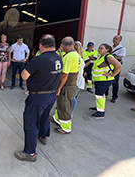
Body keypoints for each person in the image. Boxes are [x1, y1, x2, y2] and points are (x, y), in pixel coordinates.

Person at [14, 34, 62, 162]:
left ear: (41, 45)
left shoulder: (39, 59)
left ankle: (29, 153)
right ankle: (43, 136)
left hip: (38, 96)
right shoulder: (58, 58)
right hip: (51, 95)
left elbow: (24, 76)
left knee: (31, 122)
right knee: (44, 116)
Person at [52, 37, 81, 134]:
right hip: (72, 85)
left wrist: (59, 88)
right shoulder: (76, 55)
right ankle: (56, 119)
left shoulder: (69, 57)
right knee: (61, 104)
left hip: (66, 86)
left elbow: (65, 75)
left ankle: (66, 128)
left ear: (64, 46)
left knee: (65, 107)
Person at [89, 44, 122, 119]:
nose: (99, 50)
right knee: (99, 95)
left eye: (102, 48)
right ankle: (99, 107)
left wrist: (112, 74)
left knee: (99, 95)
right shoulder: (100, 57)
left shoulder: (108, 57)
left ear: (107, 50)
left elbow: (119, 66)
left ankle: (100, 112)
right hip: (98, 80)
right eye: (99, 48)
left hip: (104, 80)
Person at [106, 35, 126, 103]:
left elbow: (120, 57)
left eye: (116, 39)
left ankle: (114, 97)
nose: (114, 39)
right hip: (108, 66)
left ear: (120, 40)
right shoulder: (110, 47)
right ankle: (105, 94)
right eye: (114, 38)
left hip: (116, 67)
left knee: (115, 82)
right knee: (106, 79)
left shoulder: (122, 49)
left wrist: (111, 57)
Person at [71, 41, 86, 117]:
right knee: (71, 97)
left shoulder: (77, 59)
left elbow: (78, 73)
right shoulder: (78, 58)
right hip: (75, 81)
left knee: (72, 98)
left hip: (76, 81)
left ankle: (70, 113)